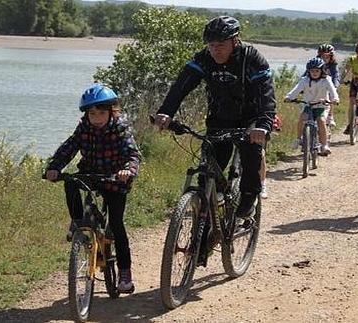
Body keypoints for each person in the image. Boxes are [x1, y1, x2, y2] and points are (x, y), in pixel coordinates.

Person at [154, 16, 276, 218]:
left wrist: (263, 124)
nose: (215, 50)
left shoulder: (252, 58)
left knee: (251, 155)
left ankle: (248, 199)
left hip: (251, 118)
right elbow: (180, 87)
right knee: (208, 173)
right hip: (220, 117)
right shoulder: (204, 58)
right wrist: (166, 112)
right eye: (211, 45)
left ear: (234, 41)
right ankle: (206, 223)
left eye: (220, 45)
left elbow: (266, 94)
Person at [45, 84, 141, 294]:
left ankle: (125, 273)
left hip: (116, 179)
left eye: (101, 113)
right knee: (70, 181)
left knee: (116, 224)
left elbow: (133, 154)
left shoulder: (120, 128)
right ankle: (78, 223)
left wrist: (127, 170)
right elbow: (69, 147)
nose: (96, 117)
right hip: (91, 174)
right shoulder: (84, 127)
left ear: (111, 111)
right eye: (92, 113)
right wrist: (54, 167)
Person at [285, 57, 339, 156]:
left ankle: (324, 145)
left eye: (317, 71)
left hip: (321, 105)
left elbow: (333, 91)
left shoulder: (326, 79)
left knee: (321, 121)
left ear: (322, 70)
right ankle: (298, 139)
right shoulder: (304, 80)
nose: (314, 73)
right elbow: (296, 89)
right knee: (302, 119)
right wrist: (289, 97)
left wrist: (335, 99)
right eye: (312, 71)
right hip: (308, 105)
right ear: (308, 71)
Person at [316, 43, 340, 128]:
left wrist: (335, 86)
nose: (325, 59)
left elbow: (336, 76)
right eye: (323, 56)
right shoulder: (316, 64)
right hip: (318, 85)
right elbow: (305, 75)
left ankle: (330, 116)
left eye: (327, 57)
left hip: (329, 85)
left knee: (331, 97)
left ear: (331, 57)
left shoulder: (333, 65)